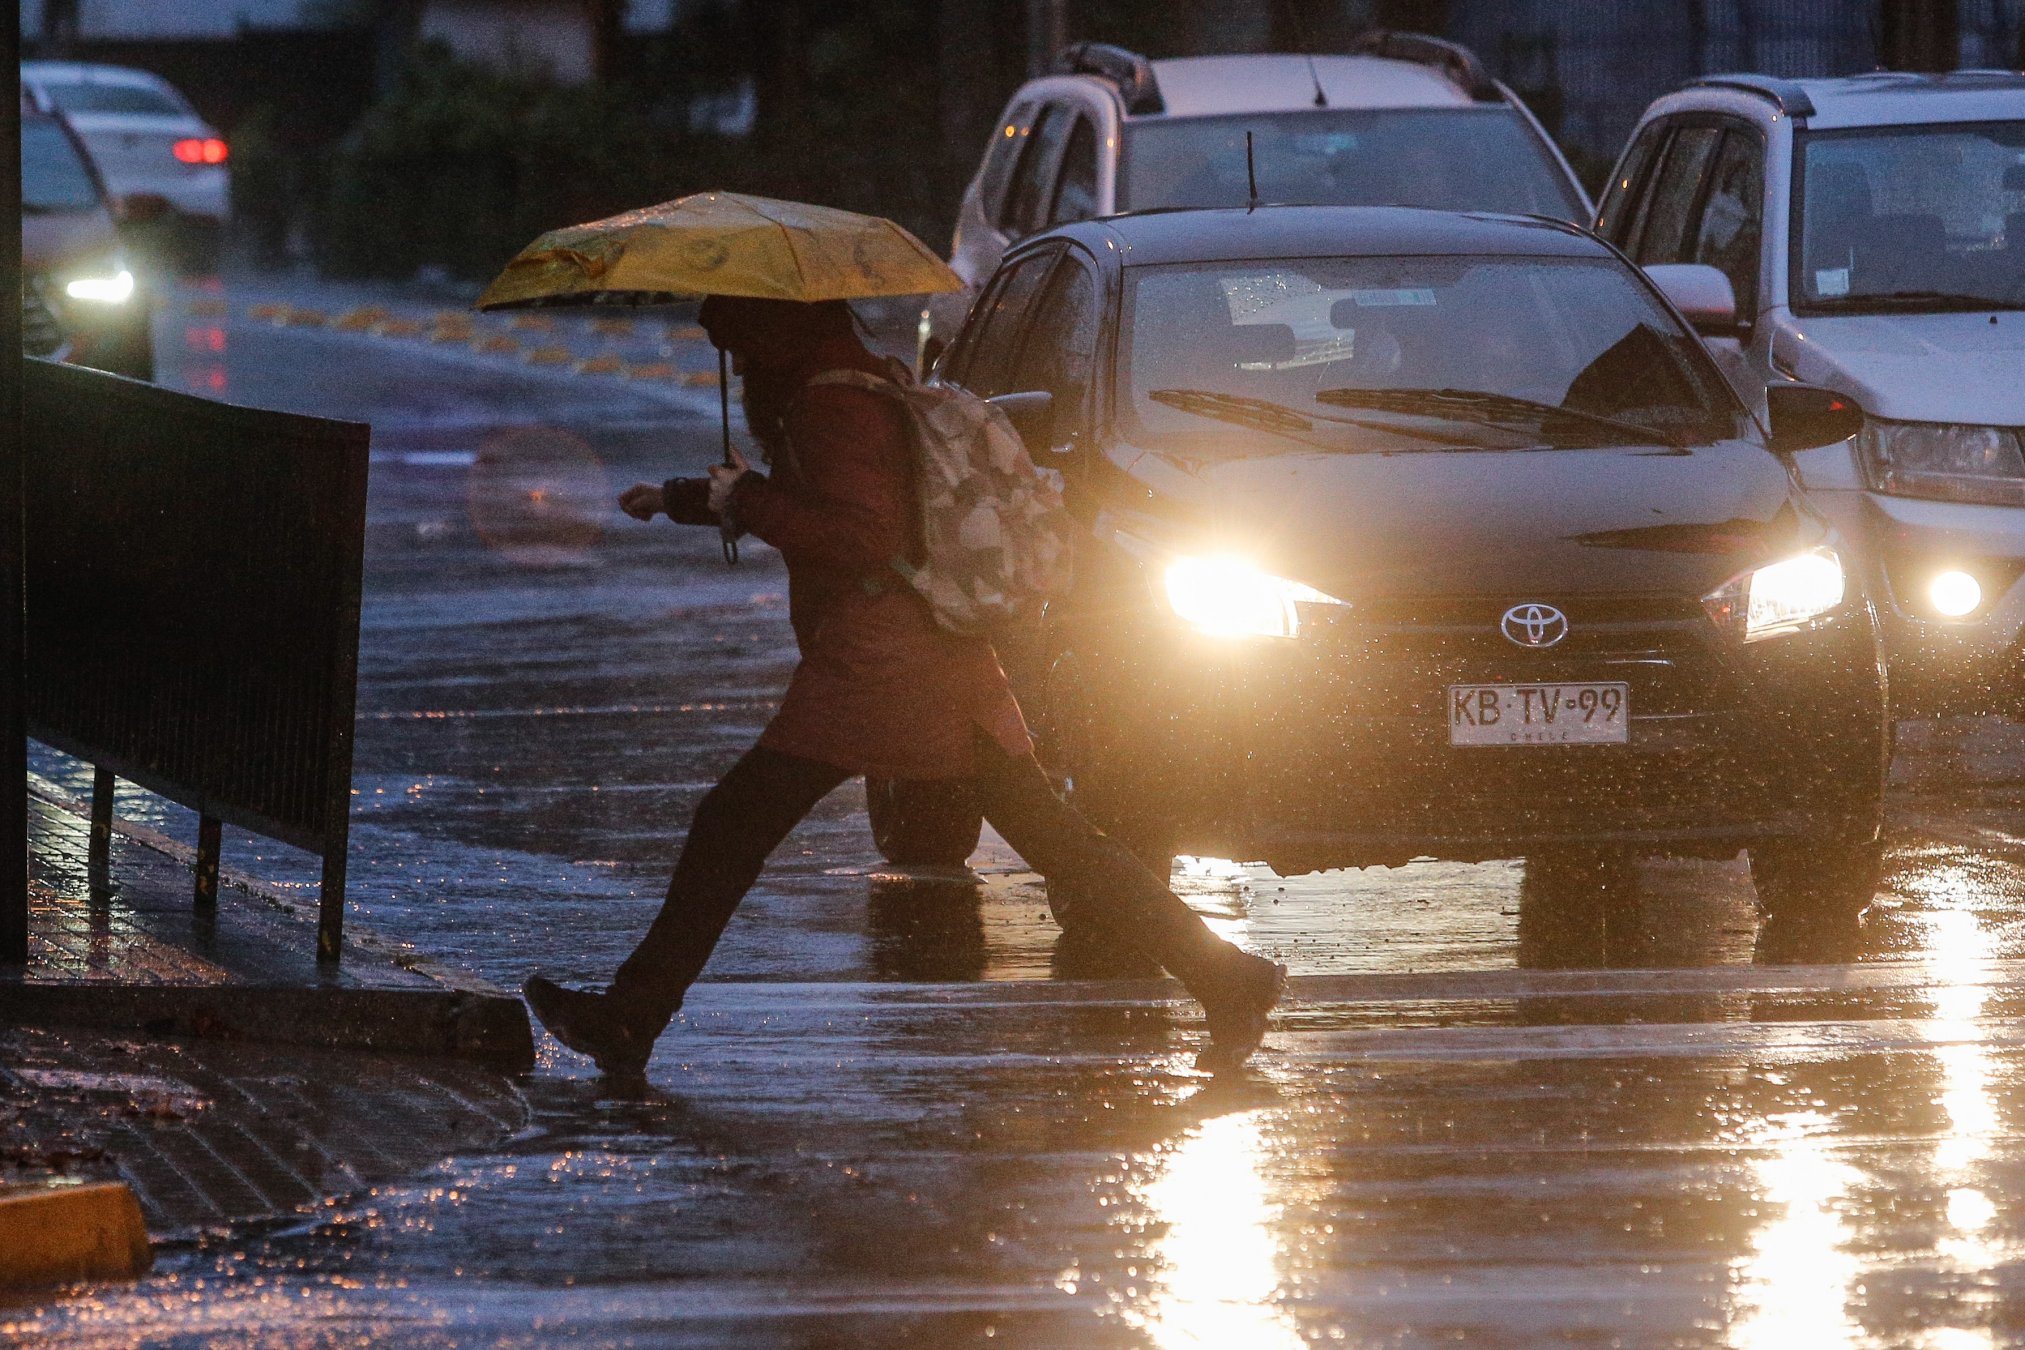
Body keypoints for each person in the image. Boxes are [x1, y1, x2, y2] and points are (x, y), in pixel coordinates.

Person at [523, 295, 1286, 1076]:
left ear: (777, 331)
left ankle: (630, 1015)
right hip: (929, 652)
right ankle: (1230, 979)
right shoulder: (856, 382)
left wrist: (744, 499)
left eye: (744, 344)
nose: (741, 364)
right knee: (1060, 843)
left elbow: (864, 534)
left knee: (733, 823)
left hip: (883, 660)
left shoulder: (832, 407)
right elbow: (836, 505)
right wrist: (689, 498)